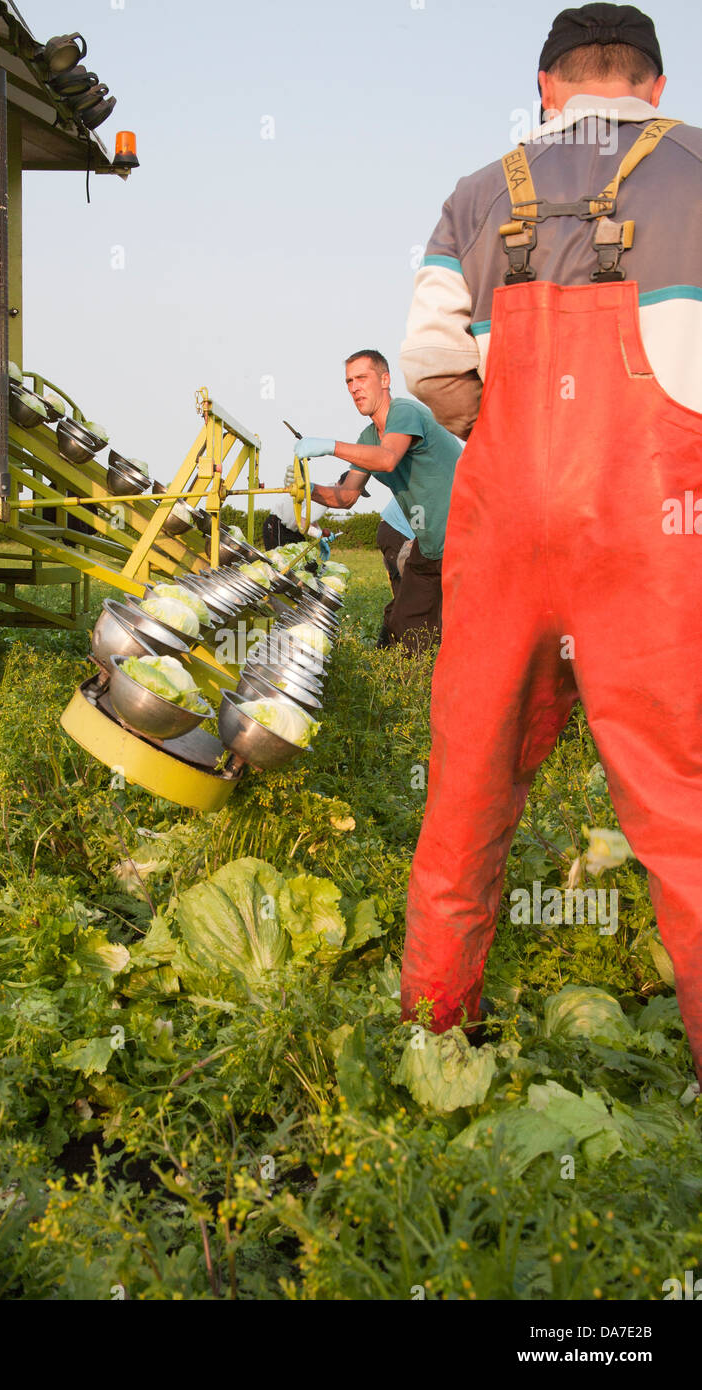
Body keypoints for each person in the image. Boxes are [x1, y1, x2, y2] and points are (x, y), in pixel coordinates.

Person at [397, 3, 702, 1085]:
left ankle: (434, 1033)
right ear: (652, 87)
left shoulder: (477, 194)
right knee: (682, 805)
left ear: (545, 86)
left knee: (467, 785)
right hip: (658, 533)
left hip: (506, 531)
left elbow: (429, 361)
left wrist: (517, 436)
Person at [295, 350, 462, 651]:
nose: (354, 388)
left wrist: (331, 446)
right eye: (348, 381)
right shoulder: (368, 437)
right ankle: (407, 683)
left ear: (385, 380)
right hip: (431, 542)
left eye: (362, 378)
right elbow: (346, 496)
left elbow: (387, 459)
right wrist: (304, 489)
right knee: (405, 626)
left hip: (470, 533)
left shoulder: (405, 412)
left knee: (475, 623)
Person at [375, 498, 416, 649]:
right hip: (397, 531)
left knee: (411, 591)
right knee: (407, 592)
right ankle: (387, 645)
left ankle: (391, 645)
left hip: (395, 530)